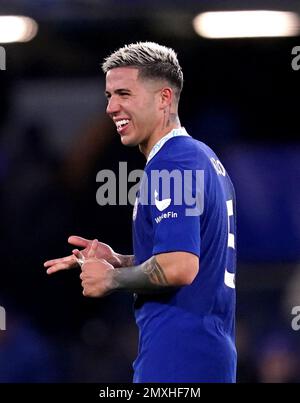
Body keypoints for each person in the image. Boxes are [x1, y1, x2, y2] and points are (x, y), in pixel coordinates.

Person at [44, 42, 237, 382]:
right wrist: (120, 260)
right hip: (202, 355)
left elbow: (180, 267)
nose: (110, 107)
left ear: (164, 98)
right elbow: (190, 256)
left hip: (179, 361)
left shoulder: (173, 162)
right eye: (108, 96)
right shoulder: (201, 156)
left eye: (123, 94)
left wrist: (111, 279)